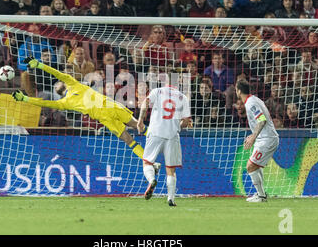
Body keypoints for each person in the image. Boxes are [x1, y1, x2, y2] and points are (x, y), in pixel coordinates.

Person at [12, 57, 161, 176]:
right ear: (56, 90)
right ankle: (151, 163)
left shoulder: (73, 83)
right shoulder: (64, 103)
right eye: (56, 86)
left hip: (110, 106)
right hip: (104, 118)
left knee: (137, 125)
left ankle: (159, 139)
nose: (58, 83)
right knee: (129, 140)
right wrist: (25, 99)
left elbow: (57, 73)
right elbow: (44, 102)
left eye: (59, 83)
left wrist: (39, 65)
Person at [137, 79, 192, 206]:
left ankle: (151, 180)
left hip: (156, 131)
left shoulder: (157, 91)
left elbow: (145, 104)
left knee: (147, 162)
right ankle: (171, 199)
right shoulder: (183, 98)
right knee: (171, 170)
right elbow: (185, 122)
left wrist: (140, 120)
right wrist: (180, 124)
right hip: (172, 134)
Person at [235, 80, 279, 202]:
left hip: (267, 139)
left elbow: (262, 120)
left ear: (238, 91)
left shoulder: (250, 103)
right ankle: (261, 194)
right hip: (263, 138)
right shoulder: (254, 99)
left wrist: (253, 136)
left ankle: (261, 196)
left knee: (250, 166)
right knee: (254, 166)